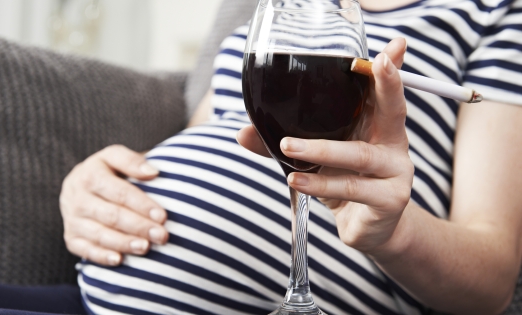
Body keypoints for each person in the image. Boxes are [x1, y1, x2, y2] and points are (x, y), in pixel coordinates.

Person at [60, 0, 522, 314]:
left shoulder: (494, 13)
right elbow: (218, 144)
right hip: (95, 293)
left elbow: (493, 282)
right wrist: (104, 186)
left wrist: (391, 232)